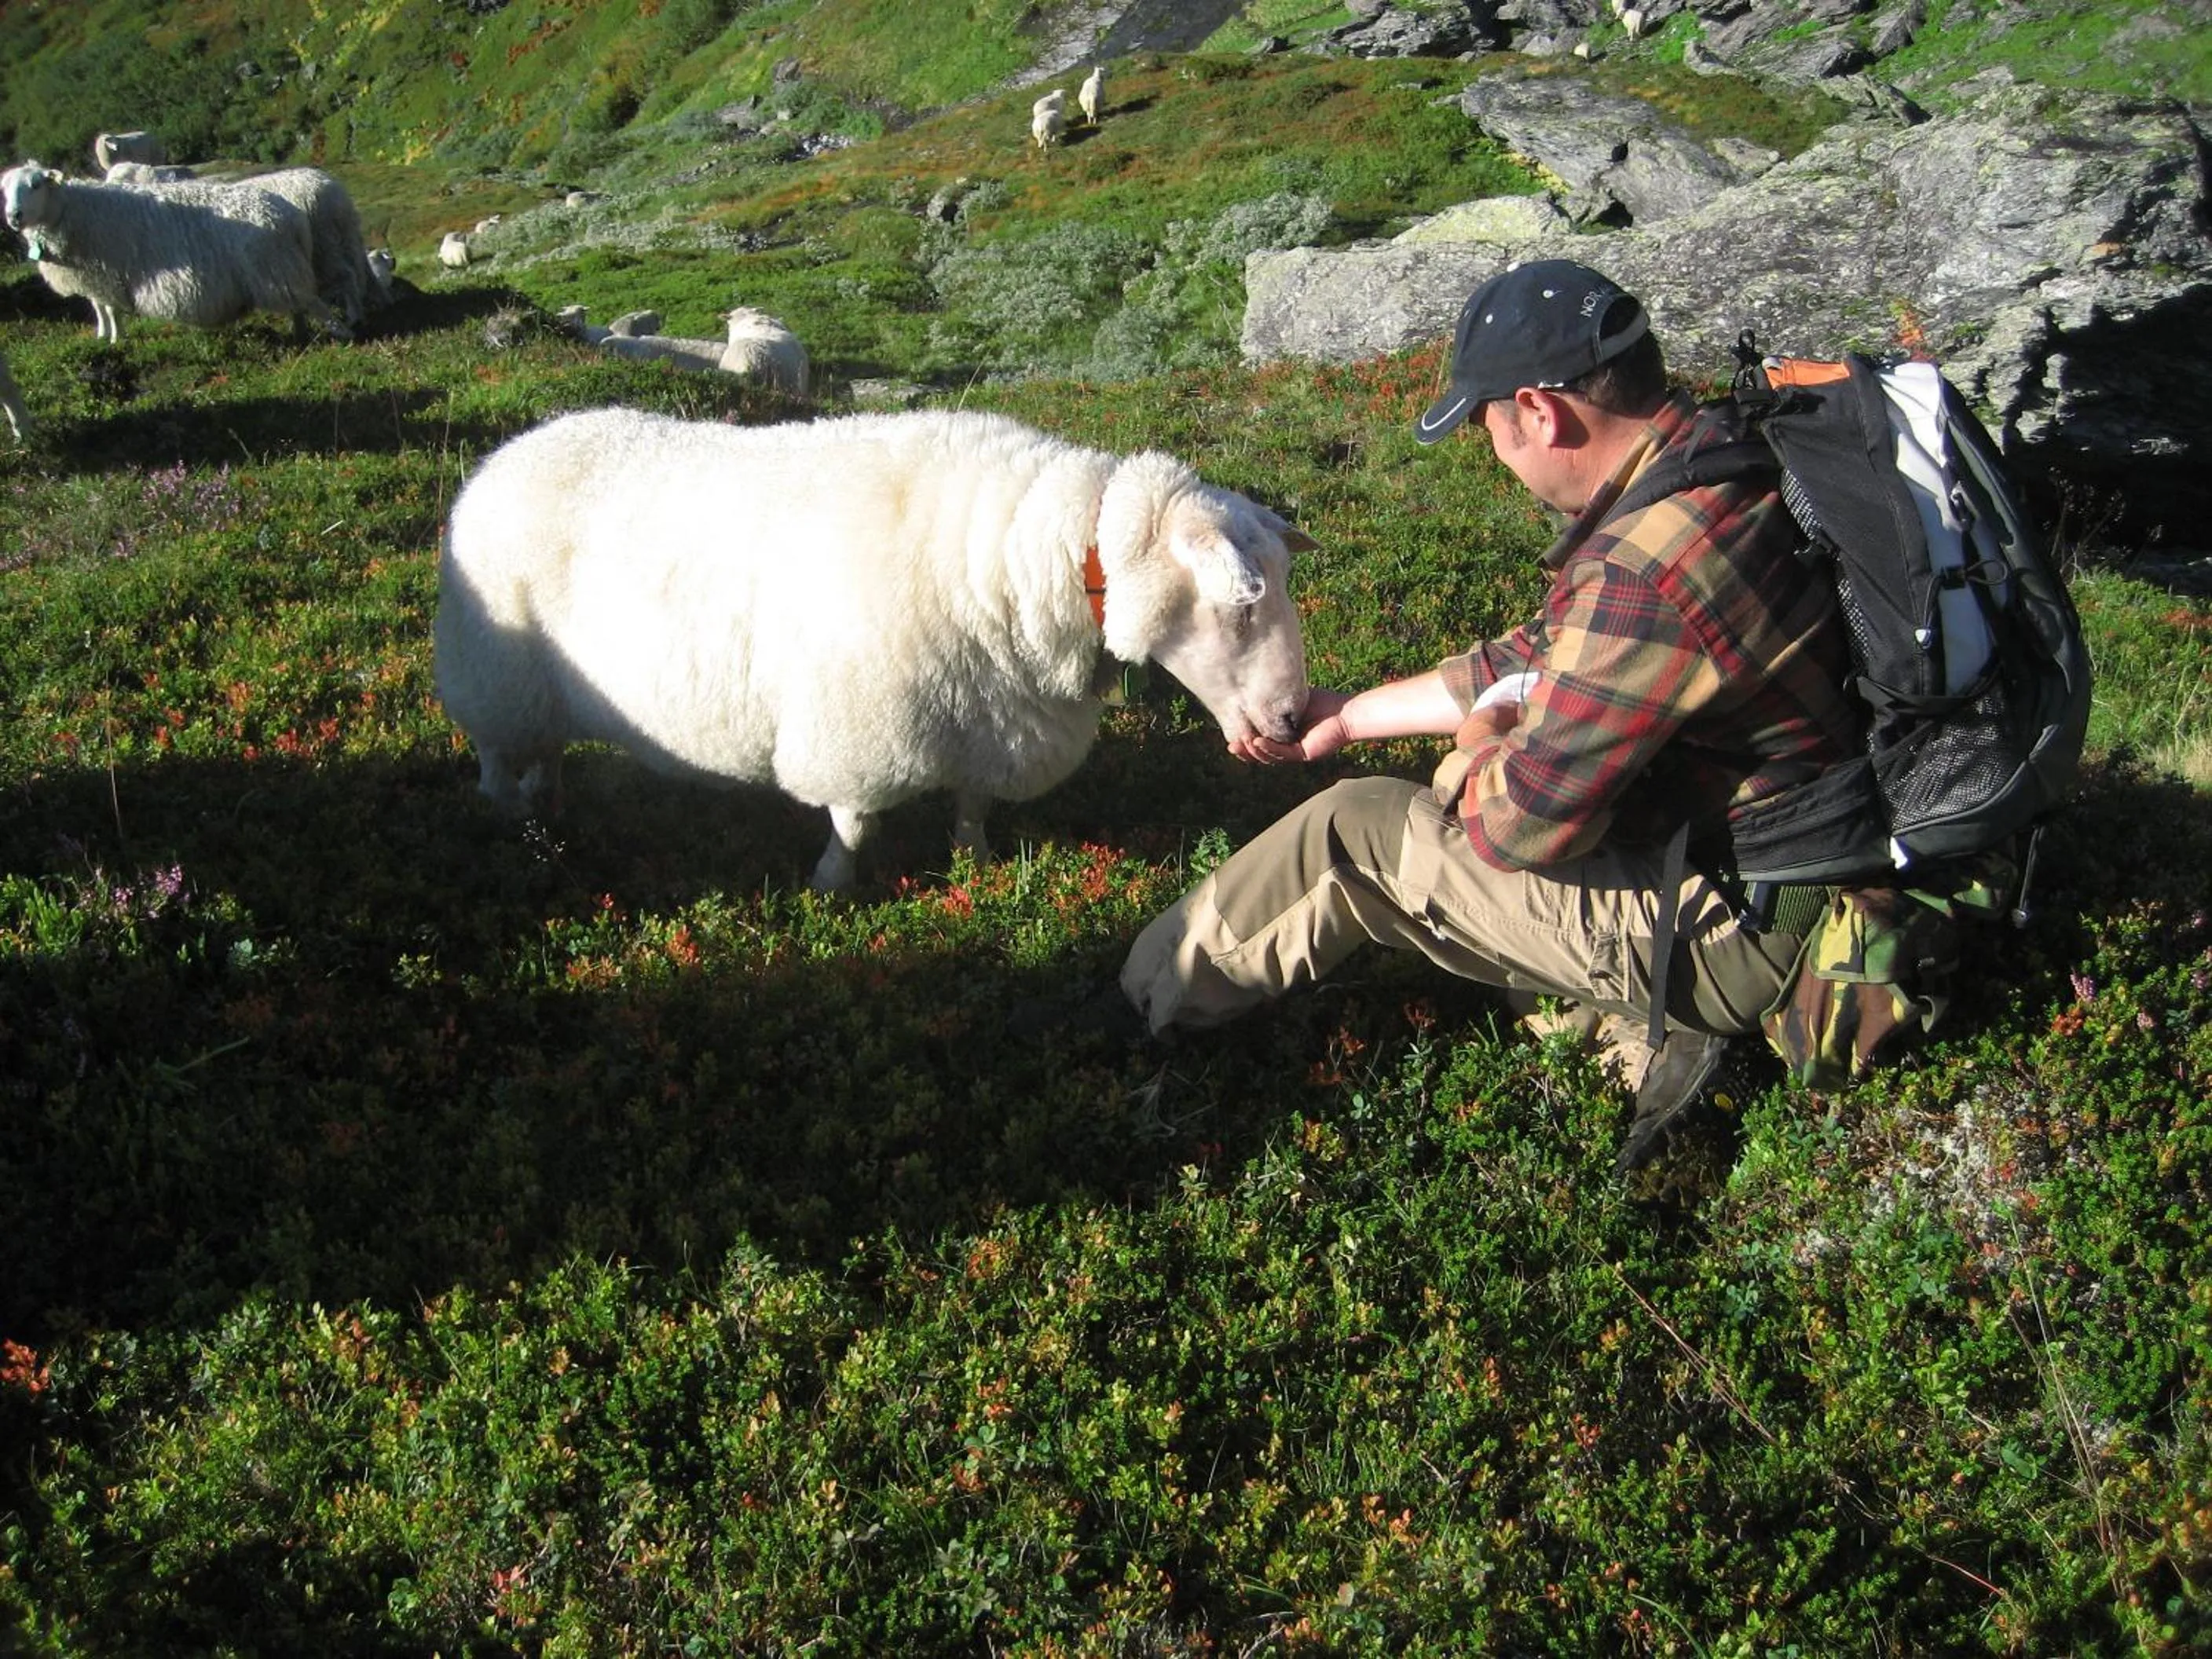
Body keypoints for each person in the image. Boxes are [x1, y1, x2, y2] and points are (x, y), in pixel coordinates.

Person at [1120, 258, 1862, 1169]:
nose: (1499, 458)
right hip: (1806, 855)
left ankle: (1139, 1005)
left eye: (1489, 432)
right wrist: (1347, 716)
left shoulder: (1643, 574)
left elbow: (1516, 827)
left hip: (1749, 933)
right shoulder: (1712, 459)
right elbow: (1544, 654)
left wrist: (1475, 745)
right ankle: (1615, 1019)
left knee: (1353, 833)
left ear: (1540, 414)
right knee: (1406, 811)